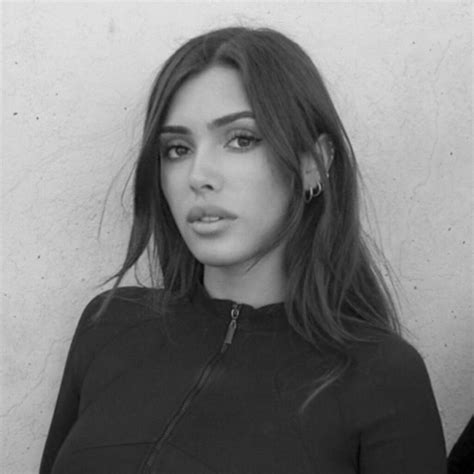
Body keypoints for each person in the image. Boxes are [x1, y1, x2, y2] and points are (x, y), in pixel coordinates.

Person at [40, 27, 447, 473]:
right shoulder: (109, 324)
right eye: (177, 148)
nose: (199, 175)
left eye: (241, 139)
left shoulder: (381, 377)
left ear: (313, 162)